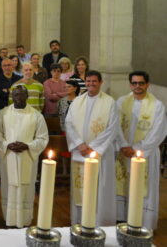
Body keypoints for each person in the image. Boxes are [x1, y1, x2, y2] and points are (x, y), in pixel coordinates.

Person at [65, 70, 118, 226]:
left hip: (99, 154)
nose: (91, 84)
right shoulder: (77, 101)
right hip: (79, 152)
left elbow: (112, 128)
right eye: (88, 81)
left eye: (94, 81)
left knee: (99, 187)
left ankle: (99, 221)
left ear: (101, 83)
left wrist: (93, 147)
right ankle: (79, 220)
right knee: (80, 187)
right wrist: (79, 144)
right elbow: (69, 124)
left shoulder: (109, 102)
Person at [114, 71, 167, 230]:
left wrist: (136, 149)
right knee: (123, 184)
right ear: (130, 84)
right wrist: (123, 145)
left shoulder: (157, 105)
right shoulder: (121, 102)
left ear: (147, 84)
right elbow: (115, 126)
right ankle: (122, 219)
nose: (137, 86)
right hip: (123, 152)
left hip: (146, 154)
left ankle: (143, 222)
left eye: (141, 83)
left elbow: (158, 132)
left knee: (144, 188)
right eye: (134, 83)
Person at [0, 86, 49, 228]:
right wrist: (7, 145)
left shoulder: (36, 115)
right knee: (8, 185)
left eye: (21, 94)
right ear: (12, 95)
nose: (18, 97)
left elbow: (42, 138)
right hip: (9, 156)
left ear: (27, 96)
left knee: (27, 186)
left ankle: (24, 219)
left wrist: (28, 146)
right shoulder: (3, 114)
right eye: (15, 94)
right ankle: (9, 218)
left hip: (27, 157)